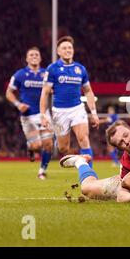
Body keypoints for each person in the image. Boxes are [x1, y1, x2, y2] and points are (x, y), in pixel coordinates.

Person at [40, 36, 99, 166]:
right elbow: (45, 93)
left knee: (84, 138)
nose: (68, 50)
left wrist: (94, 112)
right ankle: (66, 149)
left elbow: (88, 91)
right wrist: (43, 115)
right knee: (63, 148)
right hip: (59, 112)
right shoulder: (52, 69)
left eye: (70, 47)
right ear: (58, 52)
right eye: (64, 48)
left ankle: (90, 175)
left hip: (77, 109)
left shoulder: (80, 69)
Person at [6, 47, 54, 179]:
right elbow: (8, 92)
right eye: (31, 55)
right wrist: (18, 104)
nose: (34, 56)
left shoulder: (46, 74)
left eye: (36, 54)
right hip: (28, 116)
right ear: (27, 59)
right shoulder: (19, 74)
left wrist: (53, 91)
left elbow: (53, 89)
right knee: (37, 145)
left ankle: (42, 171)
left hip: (44, 114)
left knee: (48, 144)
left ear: (40, 58)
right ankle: (30, 148)